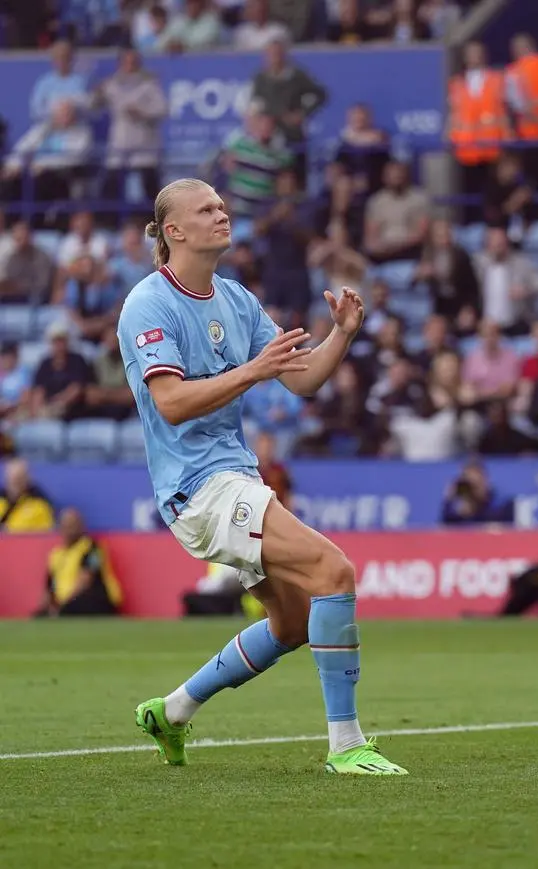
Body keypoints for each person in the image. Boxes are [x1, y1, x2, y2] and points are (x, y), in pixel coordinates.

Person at [119, 178, 406, 776]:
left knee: (294, 622)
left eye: (223, 206)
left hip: (235, 479)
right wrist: (251, 371)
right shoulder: (148, 304)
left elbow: (300, 379)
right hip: (197, 488)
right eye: (207, 209)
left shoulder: (236, 299)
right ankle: (346, 744)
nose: (222, 215)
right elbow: (170, 402)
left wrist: (342, 335)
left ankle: (171, 712)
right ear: (174, 231)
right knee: (335, 571)